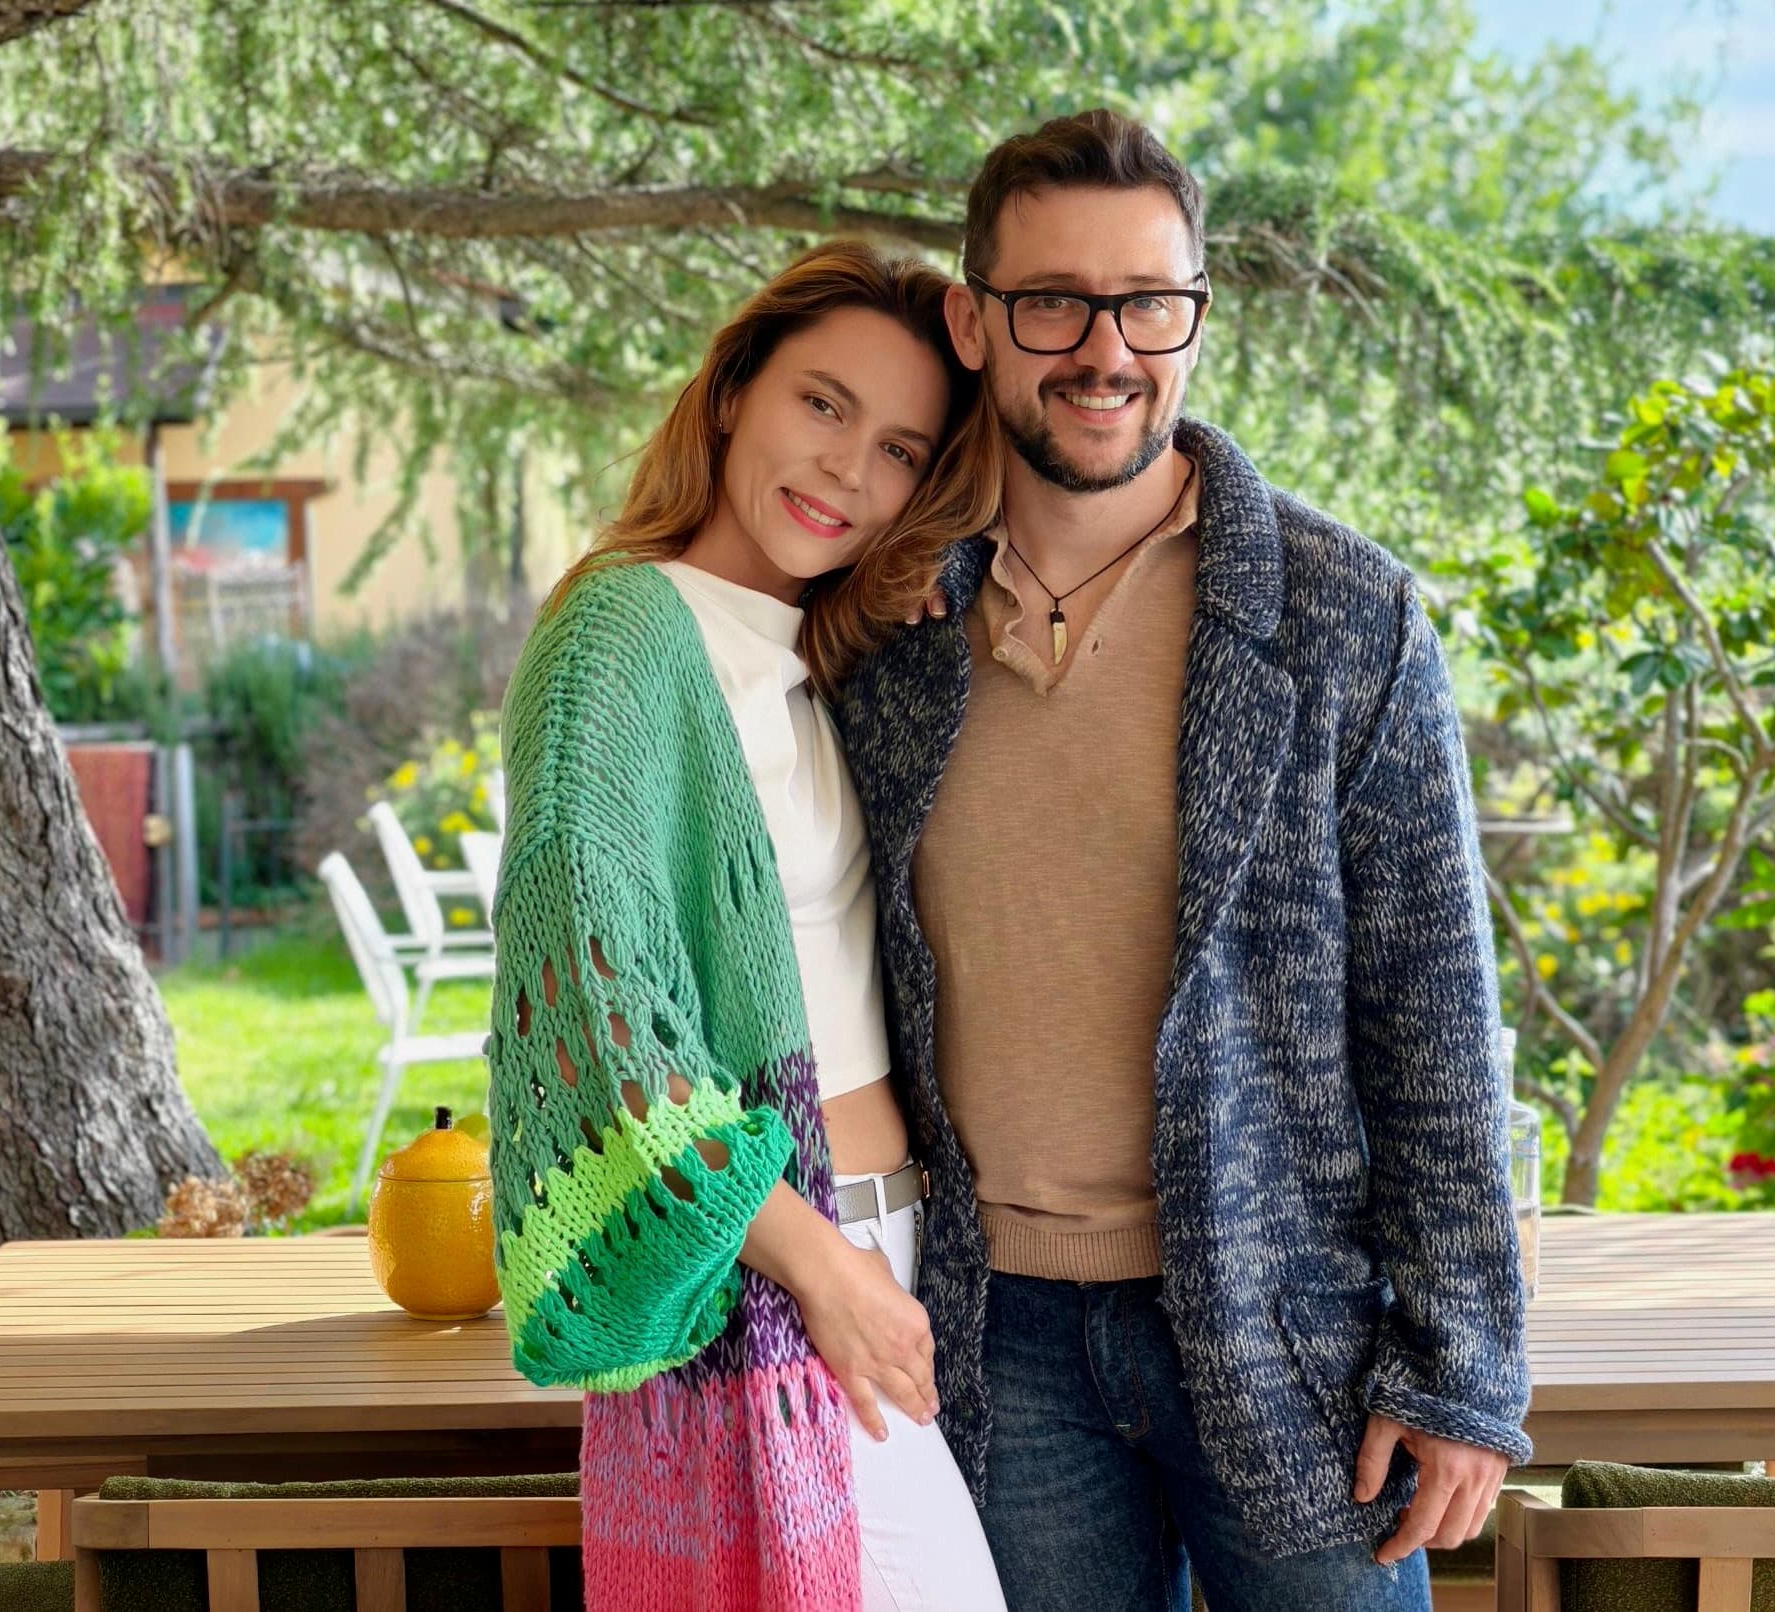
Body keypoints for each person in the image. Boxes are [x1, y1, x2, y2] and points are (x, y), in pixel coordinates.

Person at [832, 110, 1534, 1612]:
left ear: (1197, 315)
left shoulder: (1345, 616)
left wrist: (1461, 1361)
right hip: (992, 1338)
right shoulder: (886, 623)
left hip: (1292, 1325)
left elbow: (1434, 1010)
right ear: (972, 321)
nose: (1107, 351)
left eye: (1151, 302)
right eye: (1053, 302)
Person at [483, 241, 1008, 1612]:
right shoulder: (620, 638)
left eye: (898, 450)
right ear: (730, 395)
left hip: (895, 1248)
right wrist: (821, 1265)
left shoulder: (813, 653)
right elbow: (604, 1038)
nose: (847, 469)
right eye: (821, 404)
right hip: (780, 1267)